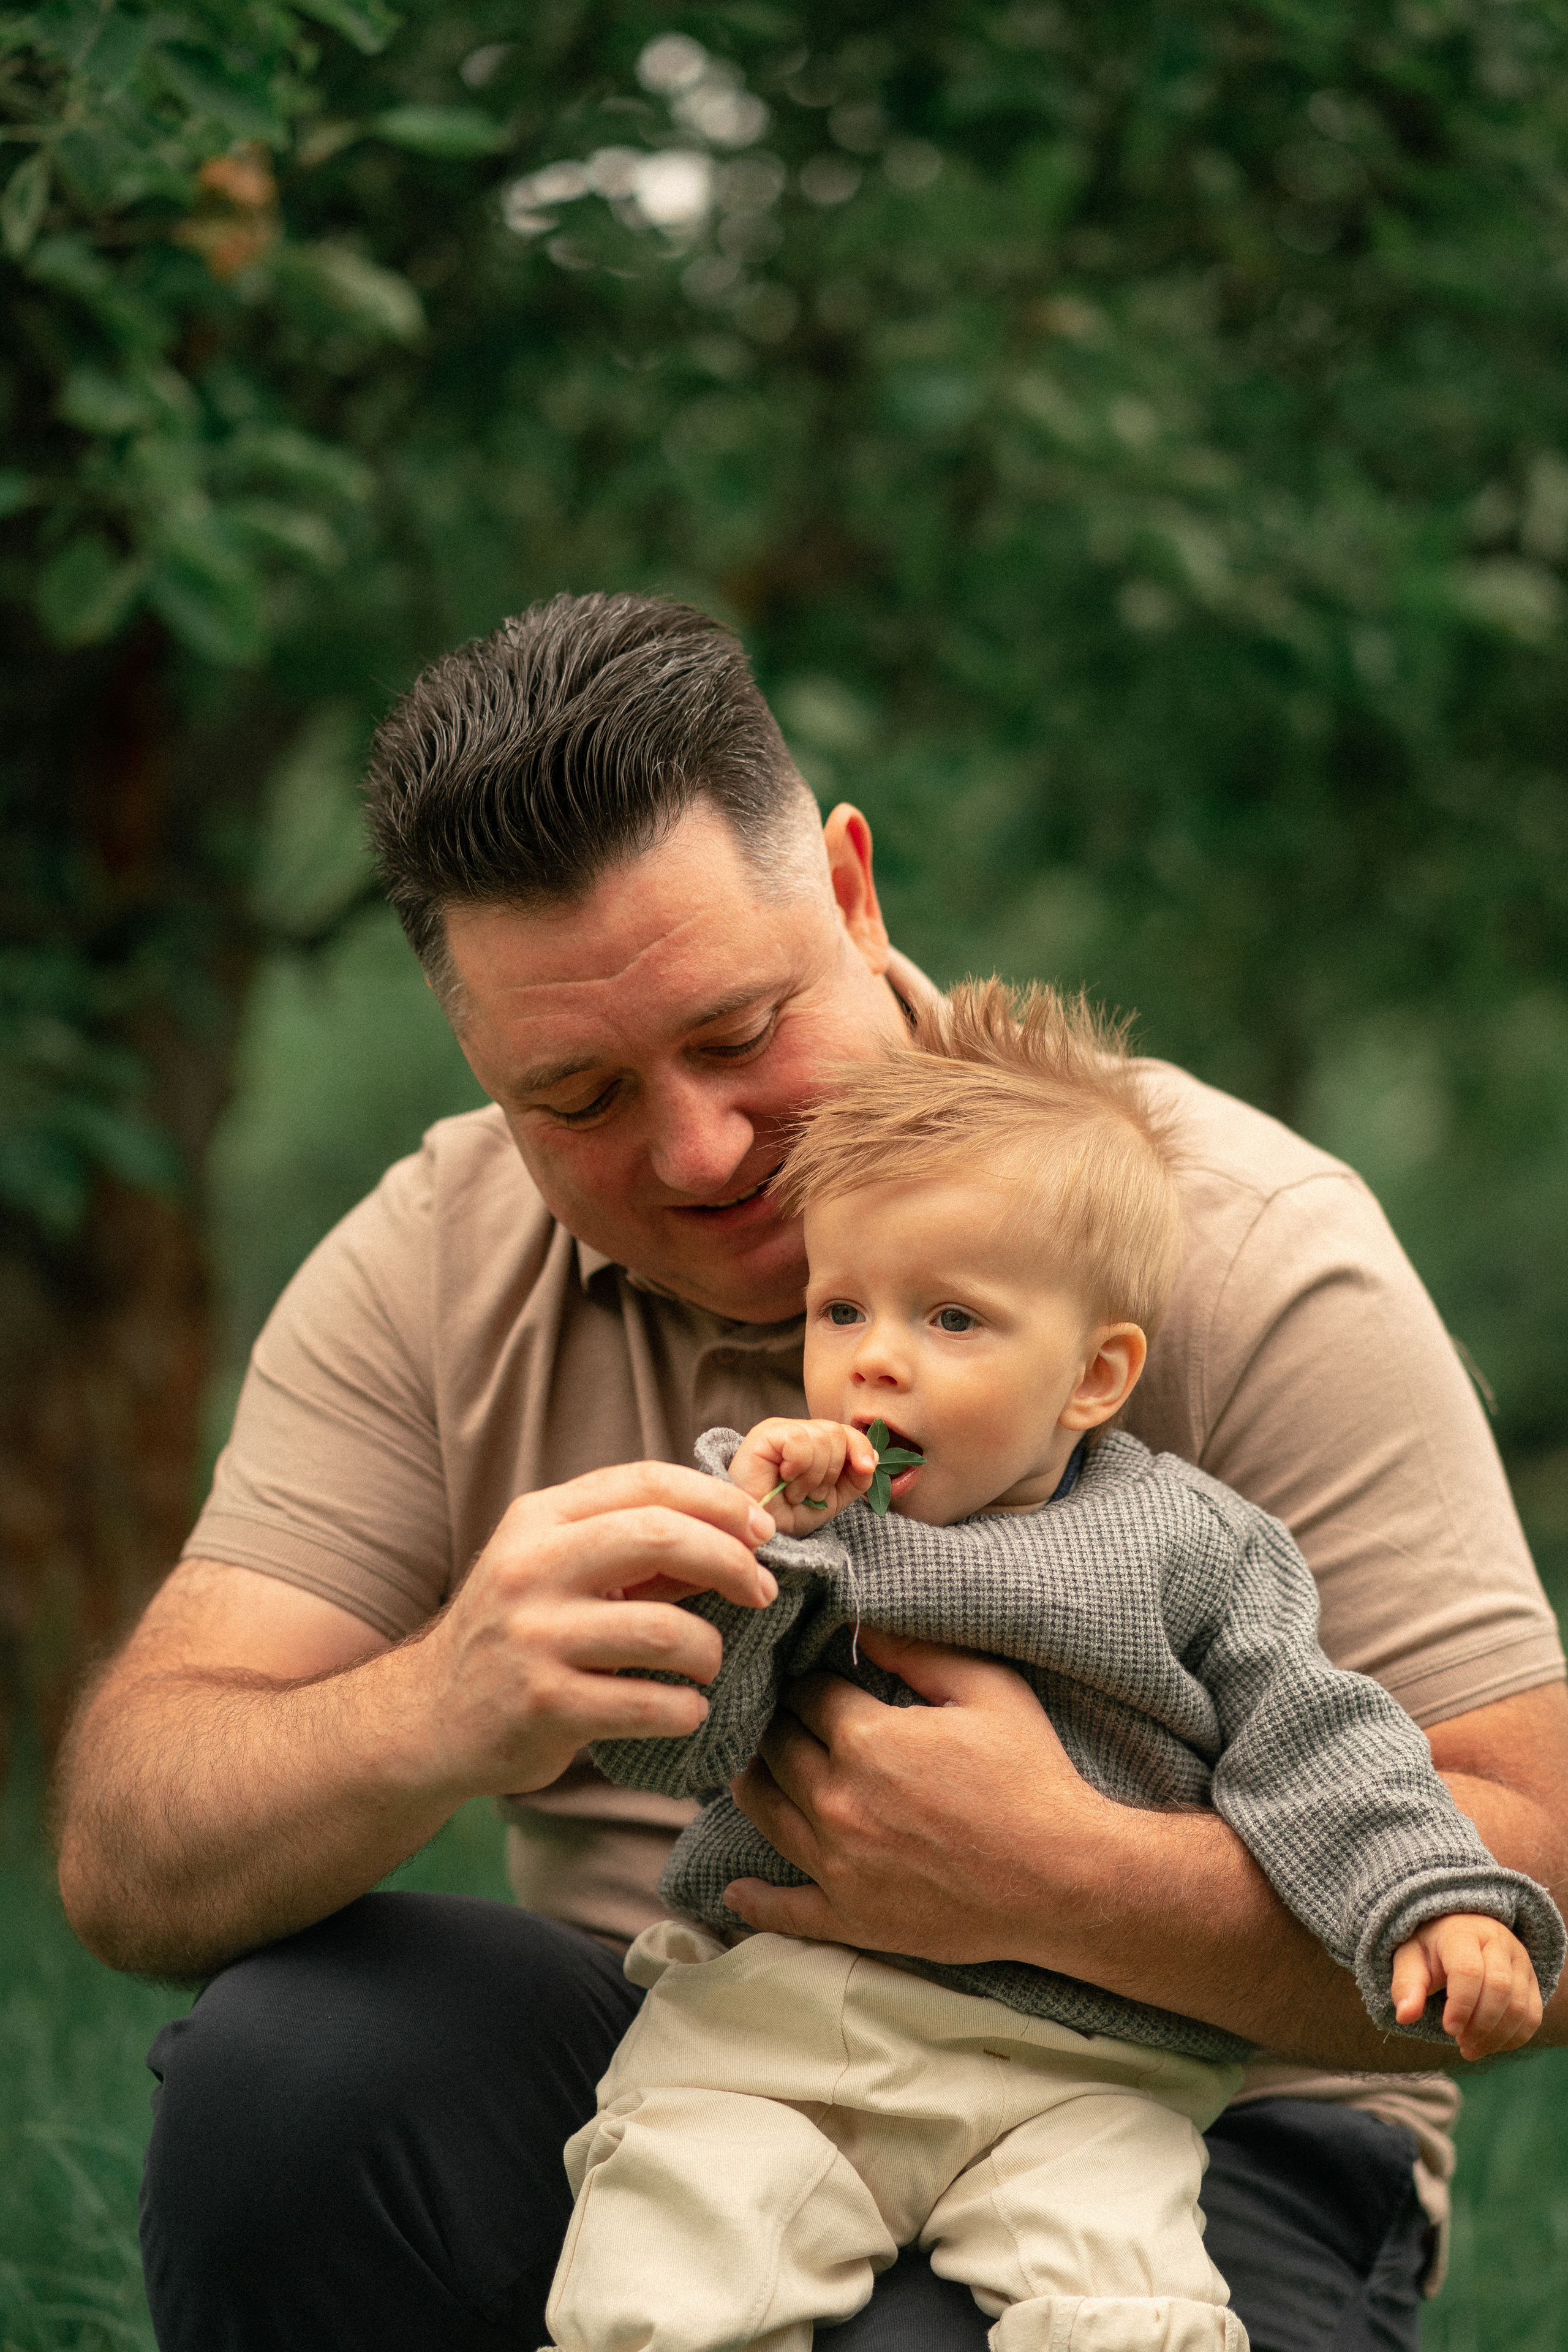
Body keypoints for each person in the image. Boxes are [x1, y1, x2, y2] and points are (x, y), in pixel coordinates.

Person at [51, 593, 1568, 2352]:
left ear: (850, 888)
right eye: (577, 1095)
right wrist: (440, 1704)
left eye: (733, 1031)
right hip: (714, 2058)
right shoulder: (431, 1263)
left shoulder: (1229, 1246)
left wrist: (1061, 1875)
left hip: (1186, 2114)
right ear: (478, 1059)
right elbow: (124, 1857)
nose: (695, 1148)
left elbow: (1543, 1868)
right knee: (290, 2067)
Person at [544, 980, 1561, 2352]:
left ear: (1093, 1376)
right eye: (840, 1309)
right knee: (662, 2278)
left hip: (1075, 2072)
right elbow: (669, 1747)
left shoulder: (1187, 1550)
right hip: (768, 2041)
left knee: (1129, 2309)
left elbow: (1319, 1746)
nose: (874, 1366)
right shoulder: (780, 1518)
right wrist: (742, 1560)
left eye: (950, 1320)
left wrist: (1430, 1905)